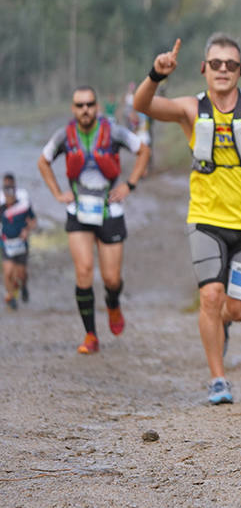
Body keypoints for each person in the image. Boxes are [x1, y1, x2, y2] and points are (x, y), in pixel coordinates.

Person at [133, 33, 241, 405]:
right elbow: (142, 105)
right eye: (215, 63)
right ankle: (218, 380)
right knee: (210, 295)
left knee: (237, 310)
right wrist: (156, 74)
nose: (223, 70)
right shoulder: (191, 109)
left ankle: (223, 324)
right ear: (204, 69)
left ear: (240, 70)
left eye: (230, 64)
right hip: (205, 219)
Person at [37, 86, 151, 353]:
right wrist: (56, 193)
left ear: (97, 107)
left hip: (109, 211)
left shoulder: (113, 132)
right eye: (80, 105)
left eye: (89, 104)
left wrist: (129, 185)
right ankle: (90, 335)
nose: (85, 109)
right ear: (73, 109)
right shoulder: (64, 136)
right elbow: (43, 162)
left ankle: (113, 304)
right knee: (84, 271)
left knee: (111, 278)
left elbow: (143, 151)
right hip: (78, 212)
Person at [1, 173, 36, 309]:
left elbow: (33, 221)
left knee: (21, 274)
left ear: (15, 188)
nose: (8, 191)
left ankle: (24, 286)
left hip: (21, 244)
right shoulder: (1, 205)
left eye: (10, 187)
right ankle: (10, 297)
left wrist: (27, 230)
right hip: (6, 244)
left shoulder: (24, 204)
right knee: (8, 271)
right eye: (5, 187)